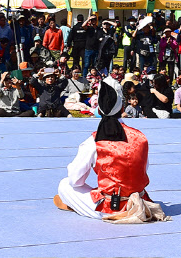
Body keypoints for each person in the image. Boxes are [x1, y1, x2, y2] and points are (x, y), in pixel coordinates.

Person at [54, 76, 167, 222]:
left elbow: (76, 180)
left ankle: (77, 205)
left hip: (110, 208)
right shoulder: (140, 137)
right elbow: (143, 171)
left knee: (65, 184)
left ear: (99, 110)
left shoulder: (94, 141)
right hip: (140, 201)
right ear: (121, 107)